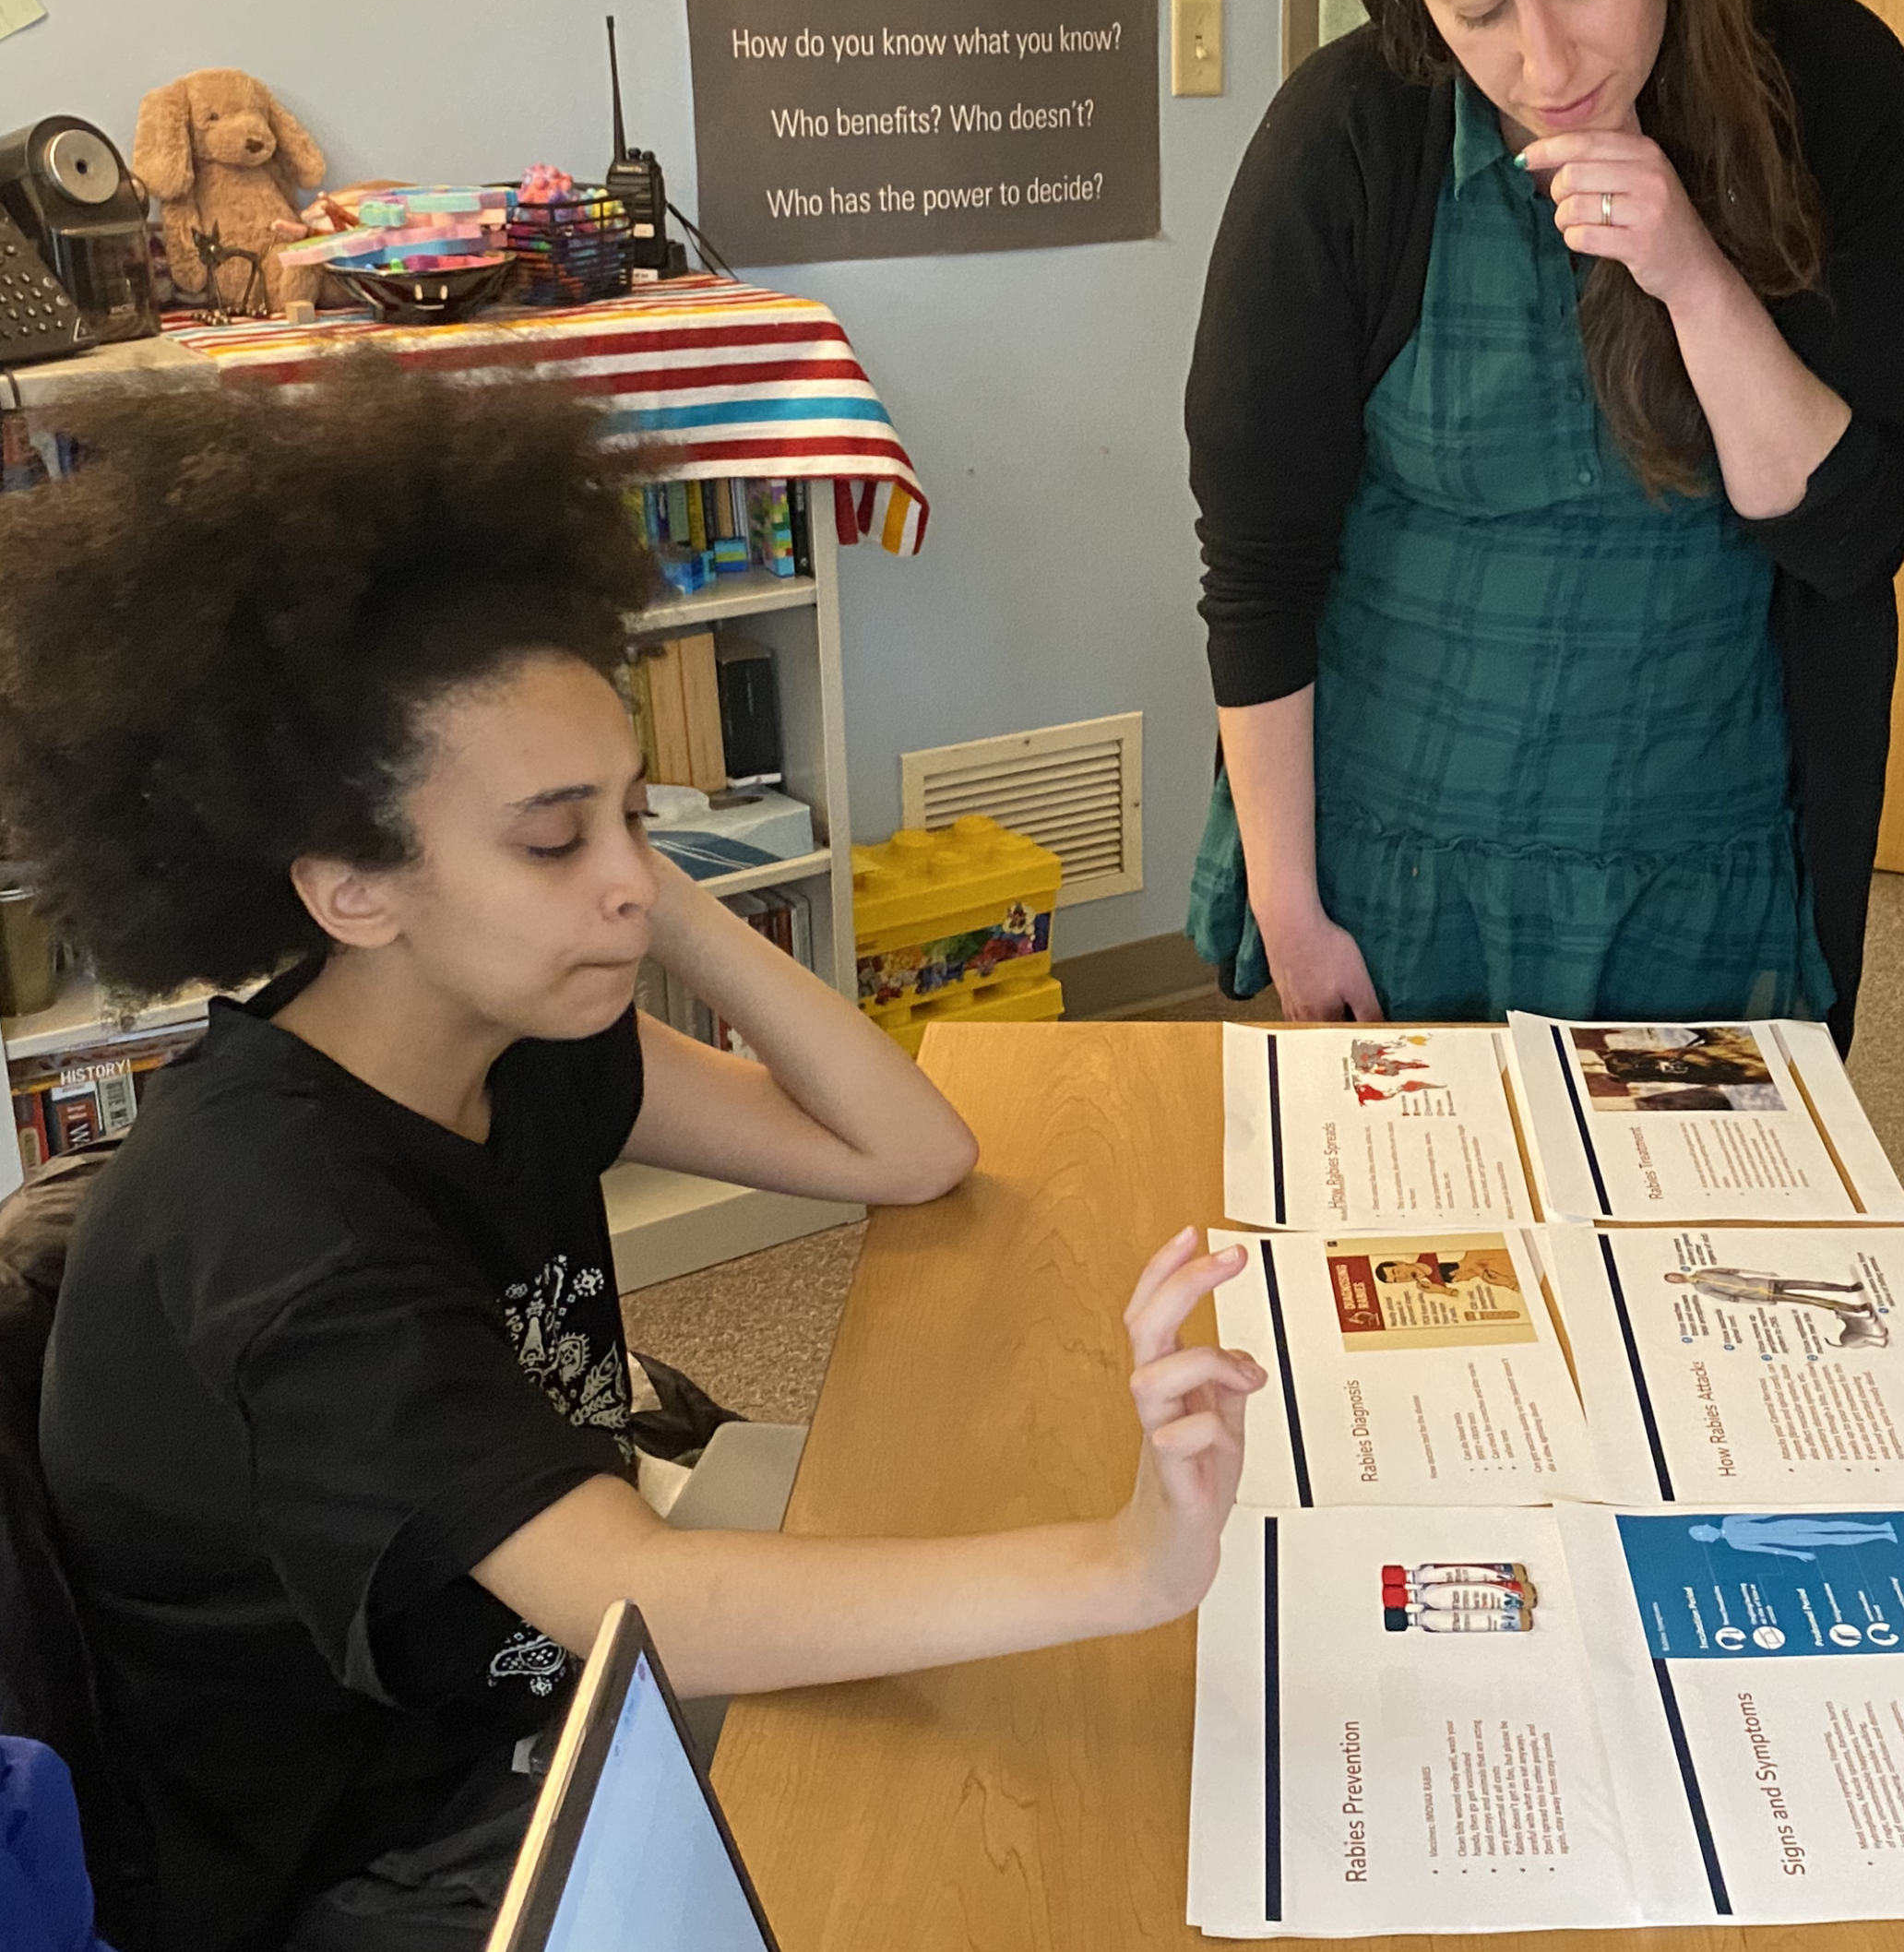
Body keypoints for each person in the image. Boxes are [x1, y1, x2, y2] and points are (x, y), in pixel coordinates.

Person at [0, 362, 1267, 1952]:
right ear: (349, 890)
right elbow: (643, 1598)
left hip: (538, 1695)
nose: (622, 878)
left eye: (631, 813)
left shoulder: (515, 1034)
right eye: (551, 837)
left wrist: (654, 897)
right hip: (376, 1856)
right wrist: (1129, 1559)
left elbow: (910, 1149)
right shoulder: (278, 1234)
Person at [1184, 0, 1904, 1045]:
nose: (1546, 61)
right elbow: (1257, 563)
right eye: (1474, 9)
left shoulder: (1835, 93)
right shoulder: (1350, 138)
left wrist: (1691, 274)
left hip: (1699, 853)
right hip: (1396, 850)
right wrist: (1291, 904)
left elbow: (1852, 535)